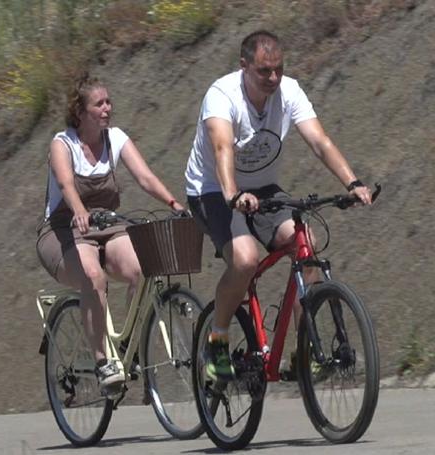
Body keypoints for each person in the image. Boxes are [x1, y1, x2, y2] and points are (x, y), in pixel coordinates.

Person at [185, 30, 372, 381]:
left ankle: (304, 350)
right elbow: (223, 148)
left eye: (278, 69)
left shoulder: (289, 92)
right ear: (244, 67)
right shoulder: (222, 96)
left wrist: (352, 182)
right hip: (212, 189)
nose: (273, 78)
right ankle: (218, 339)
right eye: (264, 71)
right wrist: (232, 195)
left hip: (264, 188)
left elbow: (319, 140)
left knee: (307, 244)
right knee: (245, 259)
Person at [36, 73, 185, 391]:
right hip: (64, 229)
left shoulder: (115, 137)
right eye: (99, 103)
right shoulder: (63, 144)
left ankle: (129, 344)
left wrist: (174, 203)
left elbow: (145, 177)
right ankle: (103, 361)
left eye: (108, 101)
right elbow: (65, 183)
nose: (107, 108)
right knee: (93, 277)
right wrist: (78, 210)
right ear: (80, 112)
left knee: (143, 268)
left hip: (106, 223)